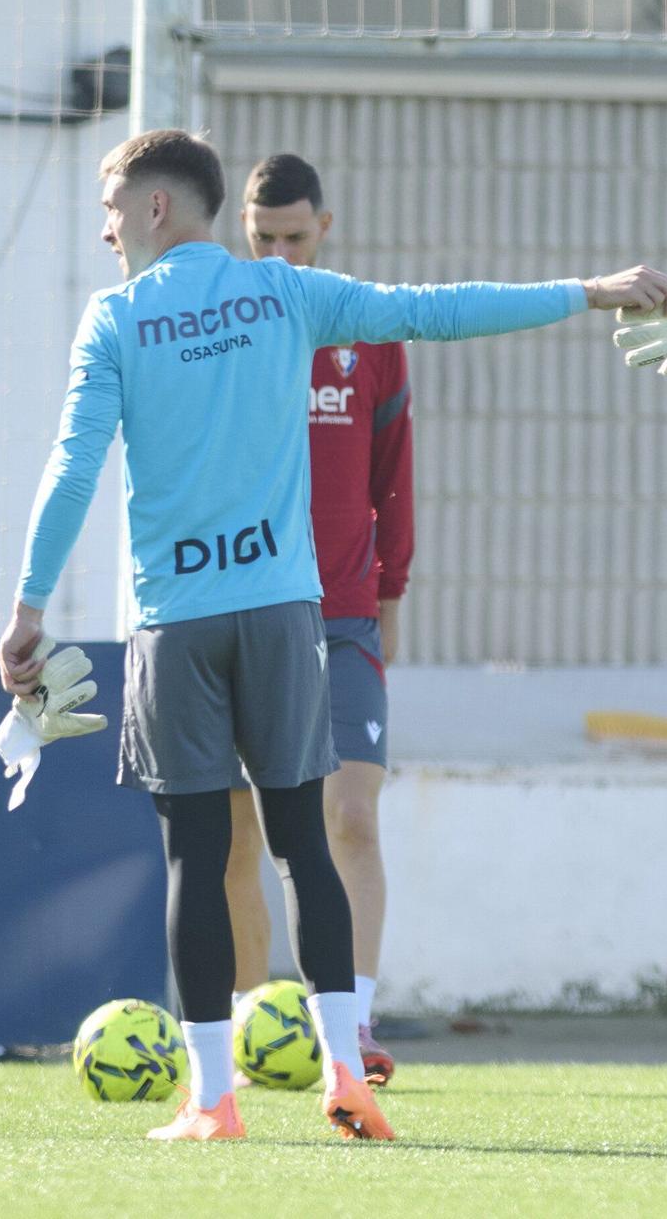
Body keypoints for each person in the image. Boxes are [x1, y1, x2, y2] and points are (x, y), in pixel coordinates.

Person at [0, 128, 667, 1143]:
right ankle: (346, 1075)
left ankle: (213, 1100)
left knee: (196, 857)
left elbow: (72, 464)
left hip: (176, 624)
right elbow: (436, 309)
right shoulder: (285, 294)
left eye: (110, 207)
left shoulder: (115, 320)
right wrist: (588, 290)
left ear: (155, 208)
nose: (103, 230)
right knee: (303, 846)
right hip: (284, 615)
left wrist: (27, 607)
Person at [226, 154, 407, 1085]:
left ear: (324, 229)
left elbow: (392, 478)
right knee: (237, 834)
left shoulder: (367, 331)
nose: (280, 255)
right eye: (264, 238)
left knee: (352, 817)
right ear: (242, 231)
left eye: (295, 237)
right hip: (238, 612)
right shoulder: (218, 330)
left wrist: (390, 598)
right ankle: (246, 1026)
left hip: (342, 618)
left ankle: (357, 1025)